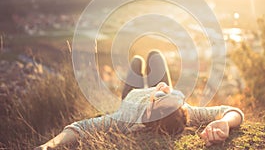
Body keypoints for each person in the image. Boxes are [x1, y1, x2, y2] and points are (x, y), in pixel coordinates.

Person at [35, 50, 244, 149]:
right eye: (172, 97)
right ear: (181, 108)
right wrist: (224, 122)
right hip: (161, 104)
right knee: (155, 56)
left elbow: (80, 128)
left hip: (131, 95)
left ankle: (137, 66)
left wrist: (48, 146)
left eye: (162, 97)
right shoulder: (186, 110)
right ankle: (151, 64)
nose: (165, 90)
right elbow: (233, 110)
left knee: (136, 61)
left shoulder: (126, 117)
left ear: (151, 106)